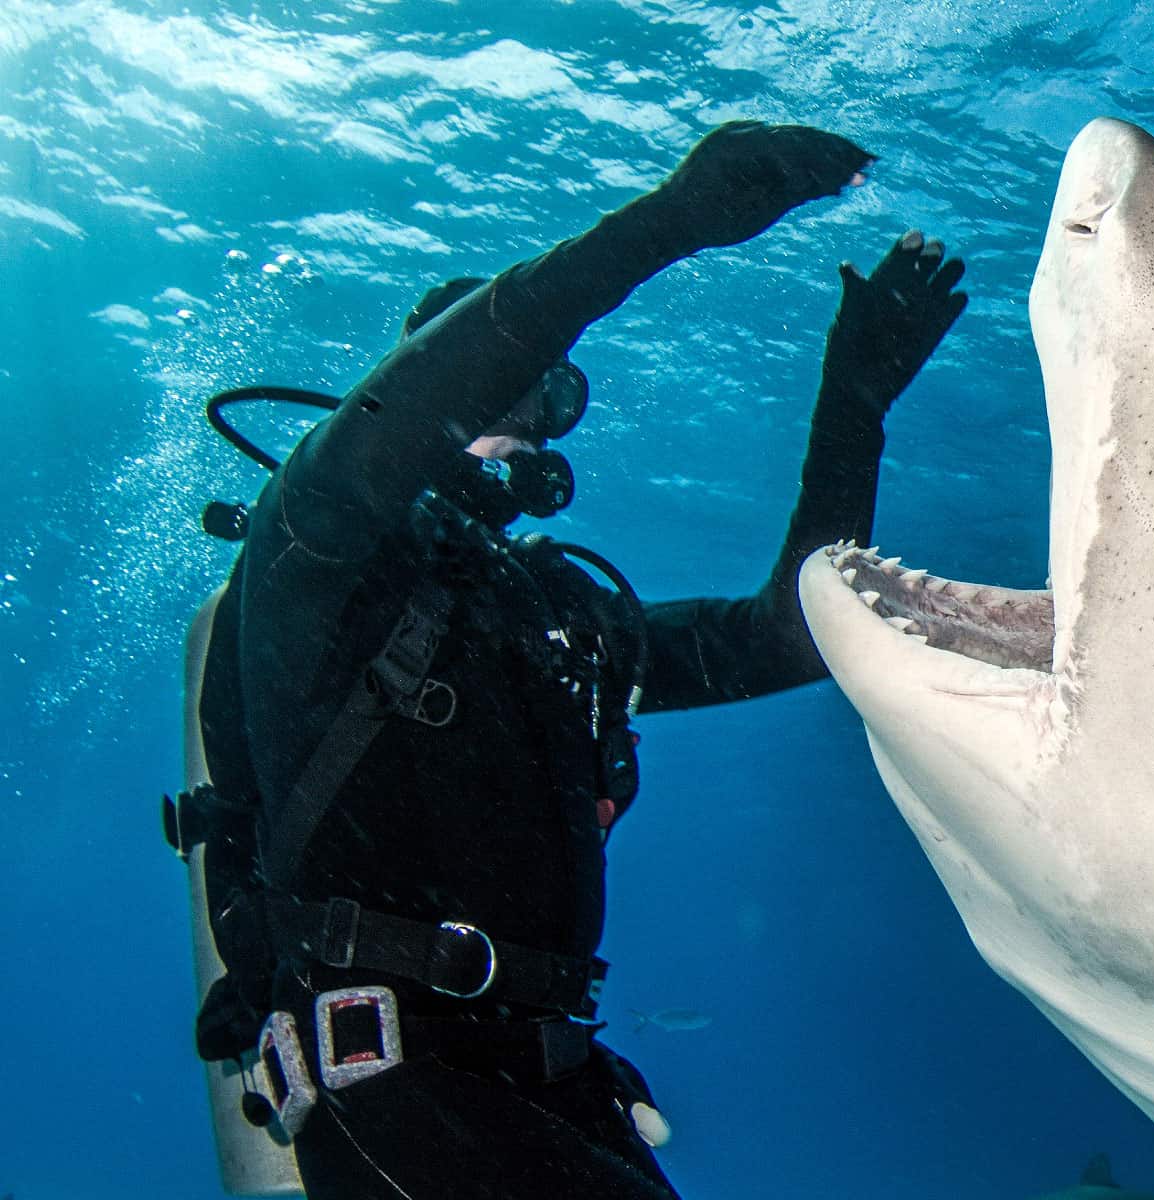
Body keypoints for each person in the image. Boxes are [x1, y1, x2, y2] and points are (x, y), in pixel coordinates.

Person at [181, 120, 967, 1198]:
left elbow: (786, 639)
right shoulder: (314, 550)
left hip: (552, 1081)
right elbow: (411, 407)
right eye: (502, 390)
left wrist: (855, 401)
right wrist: (673, 219)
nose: (532, 422)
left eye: (550, 399)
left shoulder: (554, 619)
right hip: (398, 1094)